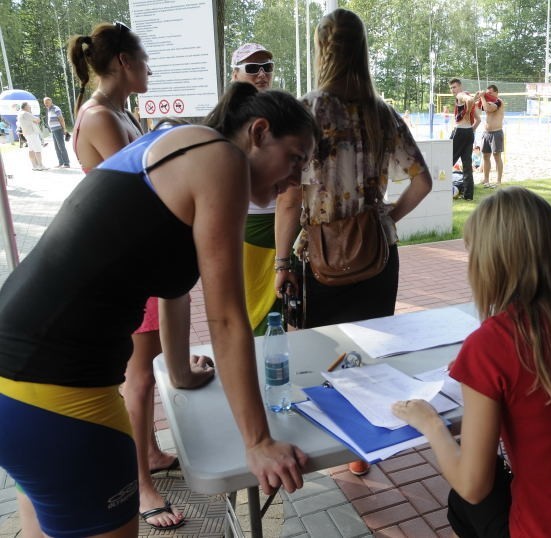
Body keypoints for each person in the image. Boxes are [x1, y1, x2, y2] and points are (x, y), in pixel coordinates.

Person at [0, 82, 318, 538]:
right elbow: (226, 317)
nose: (295, 179)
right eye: (295, 158)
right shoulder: (222, 159)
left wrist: (181, 373)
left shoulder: (174, 143)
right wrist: (258, 442)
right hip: (61, 396)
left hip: (16, 382)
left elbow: (173, 291)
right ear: (259, 132)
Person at [393, 187, 551, 537]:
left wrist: (431, 423)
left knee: (463, 503)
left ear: (486, 259)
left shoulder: (490, 345)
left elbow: (472, 486)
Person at [274, 8, 431, 474]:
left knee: (321, 352)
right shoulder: (384, 115)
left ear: (323, 50)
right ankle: (362, 454)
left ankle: (326, 442)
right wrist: (387, 218)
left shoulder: (306, 111)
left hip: (320, 256)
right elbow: (420, 182)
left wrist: (282, 261)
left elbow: (288, 199)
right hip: (378, 255)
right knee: (367, 352)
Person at [67, 21, 193, 530]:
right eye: (143, 60)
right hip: (126, 261)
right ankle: (140, 485)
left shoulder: (119, 114)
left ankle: (154, 453)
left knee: (147, 368)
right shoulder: (100, 117)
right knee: (138, 379)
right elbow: (144, 190)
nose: (149, 70)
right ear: (123, 61)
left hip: (137, 256)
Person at [230, 42, 283, 335]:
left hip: (286, 221)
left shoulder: (281, 111)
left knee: (283, 304)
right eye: (252, 68)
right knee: (254, 307)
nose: (262, 74)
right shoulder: (230, 118)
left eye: (267, 67)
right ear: (236, 74)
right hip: (249, 225)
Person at [449, 78, 480, 200]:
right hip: (468, 132)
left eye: (454, 87)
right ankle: (468, 195)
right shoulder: (466, 95)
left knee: (447, 160)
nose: (453, 90)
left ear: (460, 87)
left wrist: (466, 112)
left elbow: (470, 100)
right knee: (467, 165)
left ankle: (440, 189)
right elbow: (479, 120)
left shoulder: (461, 95)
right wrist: (471, 130)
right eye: (451, 88)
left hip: (460, 131)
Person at [476, 84, 505, 188]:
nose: (488, 94)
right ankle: (486, 179)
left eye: (490, 93)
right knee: (485, 156)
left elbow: (488, 109)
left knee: (497, 157)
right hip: (486, 133)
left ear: (496, 93)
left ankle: (498, 181)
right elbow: (477, 106)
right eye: (487, 93)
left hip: (496, 132)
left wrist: (482, 96)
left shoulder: (498, 101)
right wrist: (477, 96)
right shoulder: (486, 101)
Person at [43, 97, 72, 168]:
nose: (46, 104)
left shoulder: (56, 108)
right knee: (56, 147)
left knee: (61, 146)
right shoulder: (49, 109)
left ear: (51, 101)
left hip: (58, 129)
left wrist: (64, 129)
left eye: (47, 102)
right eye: (45, 103)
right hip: (53, 131)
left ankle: (66, 163)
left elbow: (61, 119)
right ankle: (61, 162)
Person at [16, 102, 46, 171]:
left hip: (27, 133)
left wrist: (34, 120)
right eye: (29, 106)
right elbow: (38, 120)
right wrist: (35, 120)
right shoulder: (26, 113)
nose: (30, 107)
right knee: (37, 149)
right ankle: (40, 165)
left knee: (31, 149)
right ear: (25, 107)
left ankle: (34, 166)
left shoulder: (20, 114)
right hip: (32, 133)